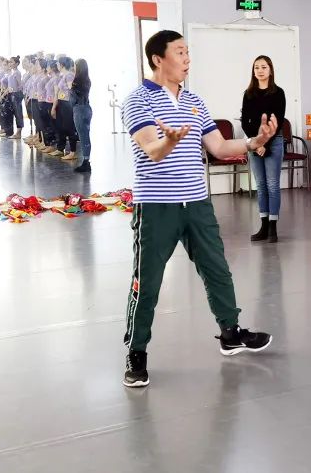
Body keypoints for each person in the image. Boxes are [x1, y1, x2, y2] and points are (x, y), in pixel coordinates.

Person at [120, 30, 275, 388]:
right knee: (147, 283)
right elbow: (152, 150)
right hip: (157, 206)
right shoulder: (138, 100)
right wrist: (169, 142)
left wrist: (254, 141)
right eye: (180, 52)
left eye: (188, 52)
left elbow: (219, 147)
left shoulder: (194, 101)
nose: (187, 58)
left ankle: (231, 333)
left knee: (217, 270)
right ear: (158, 59)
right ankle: (136, 351)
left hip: (197, 203)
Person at [241, 55, 287, 243]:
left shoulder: (278, 93)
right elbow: (245, 122)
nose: (260, 70)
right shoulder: (248, 93)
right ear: (253, 71)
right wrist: (256, 143)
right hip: (254, 144)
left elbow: (279, 121)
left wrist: (264, 143)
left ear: (270, 70)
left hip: (273, 142)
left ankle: (273, 228)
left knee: (272, 185)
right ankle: (263, 226)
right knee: (260, 186)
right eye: (256, 67)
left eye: (264, 67)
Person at [52, 57, 79, 160]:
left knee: (70, 127)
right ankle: (60, 148)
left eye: (58, 64)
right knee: (61, 127)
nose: (57, 65)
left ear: (62, 65)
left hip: (67, 104)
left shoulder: (69, 75)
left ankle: (72, 151)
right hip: (61, 103)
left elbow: (72, 90)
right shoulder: (63, 75)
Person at [71, 59, 93, 173]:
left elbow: (72, 100)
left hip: (79, 110)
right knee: (86, 136)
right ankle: (86, 160)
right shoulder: (87, 80)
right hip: (87, 109)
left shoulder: (75, 82)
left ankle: (86, 163)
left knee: (83, 136)